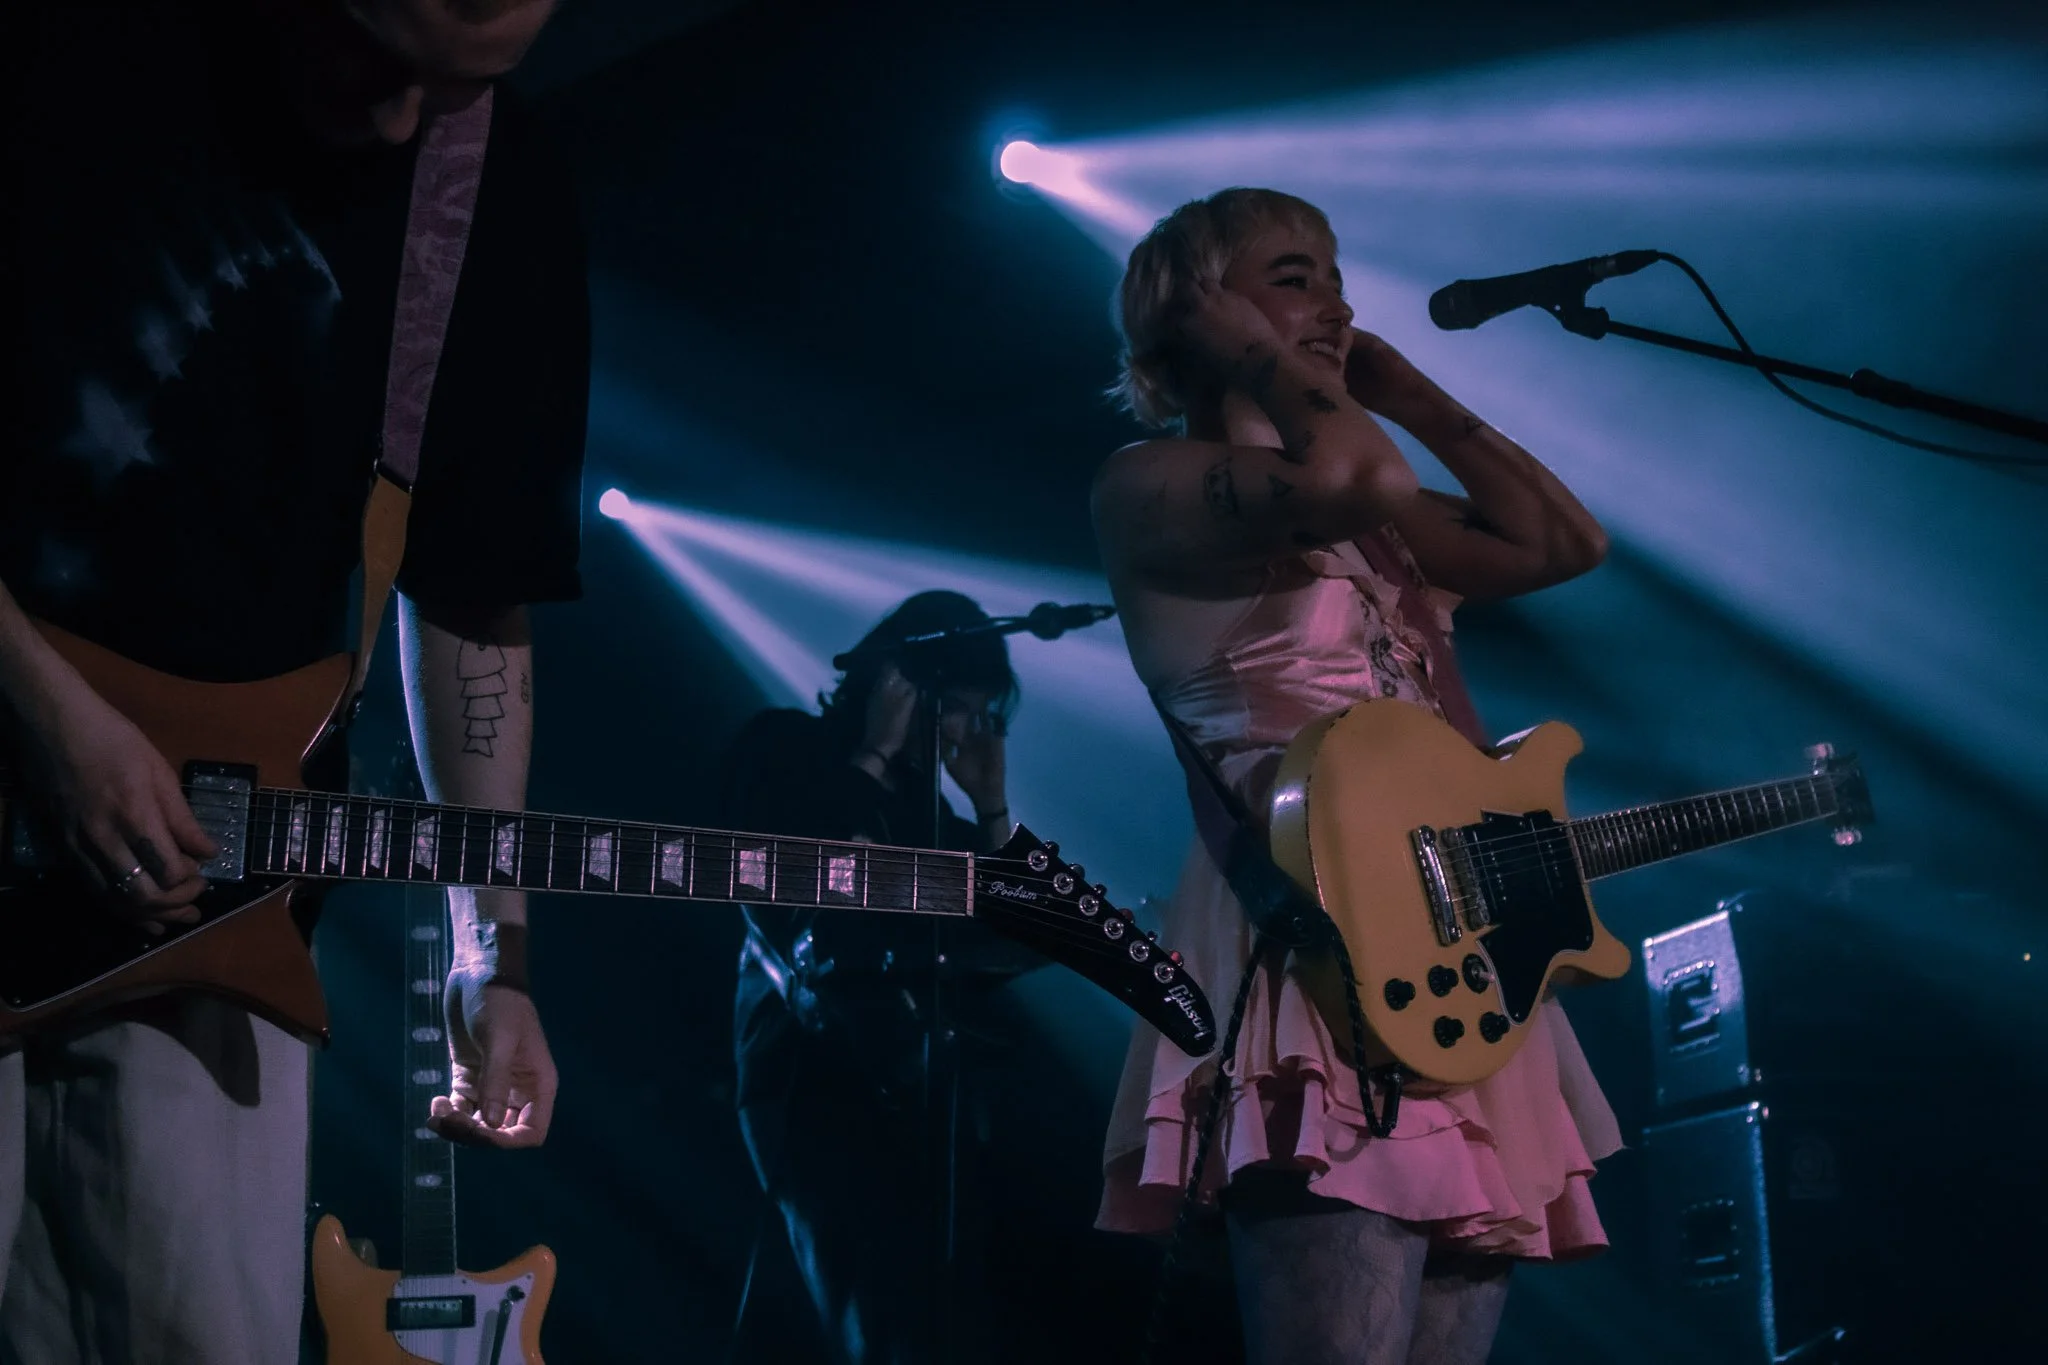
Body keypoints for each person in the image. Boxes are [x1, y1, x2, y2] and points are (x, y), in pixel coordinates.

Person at [0, 1, 587, 1360]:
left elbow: (473, 593)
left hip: (213, 903)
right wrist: (42, 710)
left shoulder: (498, 184)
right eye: (378, 66)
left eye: (449, 90)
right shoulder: (65, 61)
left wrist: (490, 946)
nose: (400, 121)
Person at [1090, 188, 1622, 1365]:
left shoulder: (1362, 511)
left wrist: (1404, 389)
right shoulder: (1150, 483)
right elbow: (1361, 482)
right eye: (1293, 277)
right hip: (1308, 953)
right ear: (1204, 307)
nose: (1333, 304)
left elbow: (1562, 544)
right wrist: (1254, 362)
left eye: (1335, 278)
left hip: (1449, 943)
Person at [721, 591, 1034, 1365]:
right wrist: (871, 754)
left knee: (949, 1319)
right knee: (868, 1309)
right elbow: (801, 883)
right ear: (901, 683)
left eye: (980, 713)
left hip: (920, 1089)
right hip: (811, 1076)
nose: (965, 730)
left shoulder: (930, 814)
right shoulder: (785, 748)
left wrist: (993, 808)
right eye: (955, 707)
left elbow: (1014, 924)